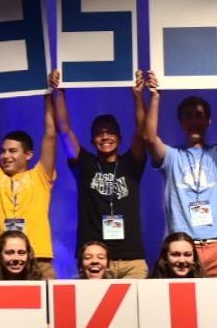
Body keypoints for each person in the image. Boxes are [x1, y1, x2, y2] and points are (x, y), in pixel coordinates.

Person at [144, 68, 217, 277]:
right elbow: (149, 138)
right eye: (188, 116)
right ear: (181, 122)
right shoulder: (172, 156)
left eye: (199, 116)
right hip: (183, 249)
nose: (193, 121)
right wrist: (155, 97)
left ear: (208, 121)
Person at [52, 69, 148, 278]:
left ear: (120, 138)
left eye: (110, 132)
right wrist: (59, 92)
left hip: (131, 259)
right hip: (94, 259)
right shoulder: (85, 164)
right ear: (92, 140)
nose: (105, 137)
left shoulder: (131, 163)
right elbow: (64, 130)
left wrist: (138, 96)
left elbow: (142, 131)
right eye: (99, 133)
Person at [0, 76, 58, 280]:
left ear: (28, 155)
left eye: (12, 151)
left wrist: (48, 94)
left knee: (47, 301)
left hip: (37, 255)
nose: (5, 156)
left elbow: (50, 135)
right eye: (3, 151)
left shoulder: (40, 176)